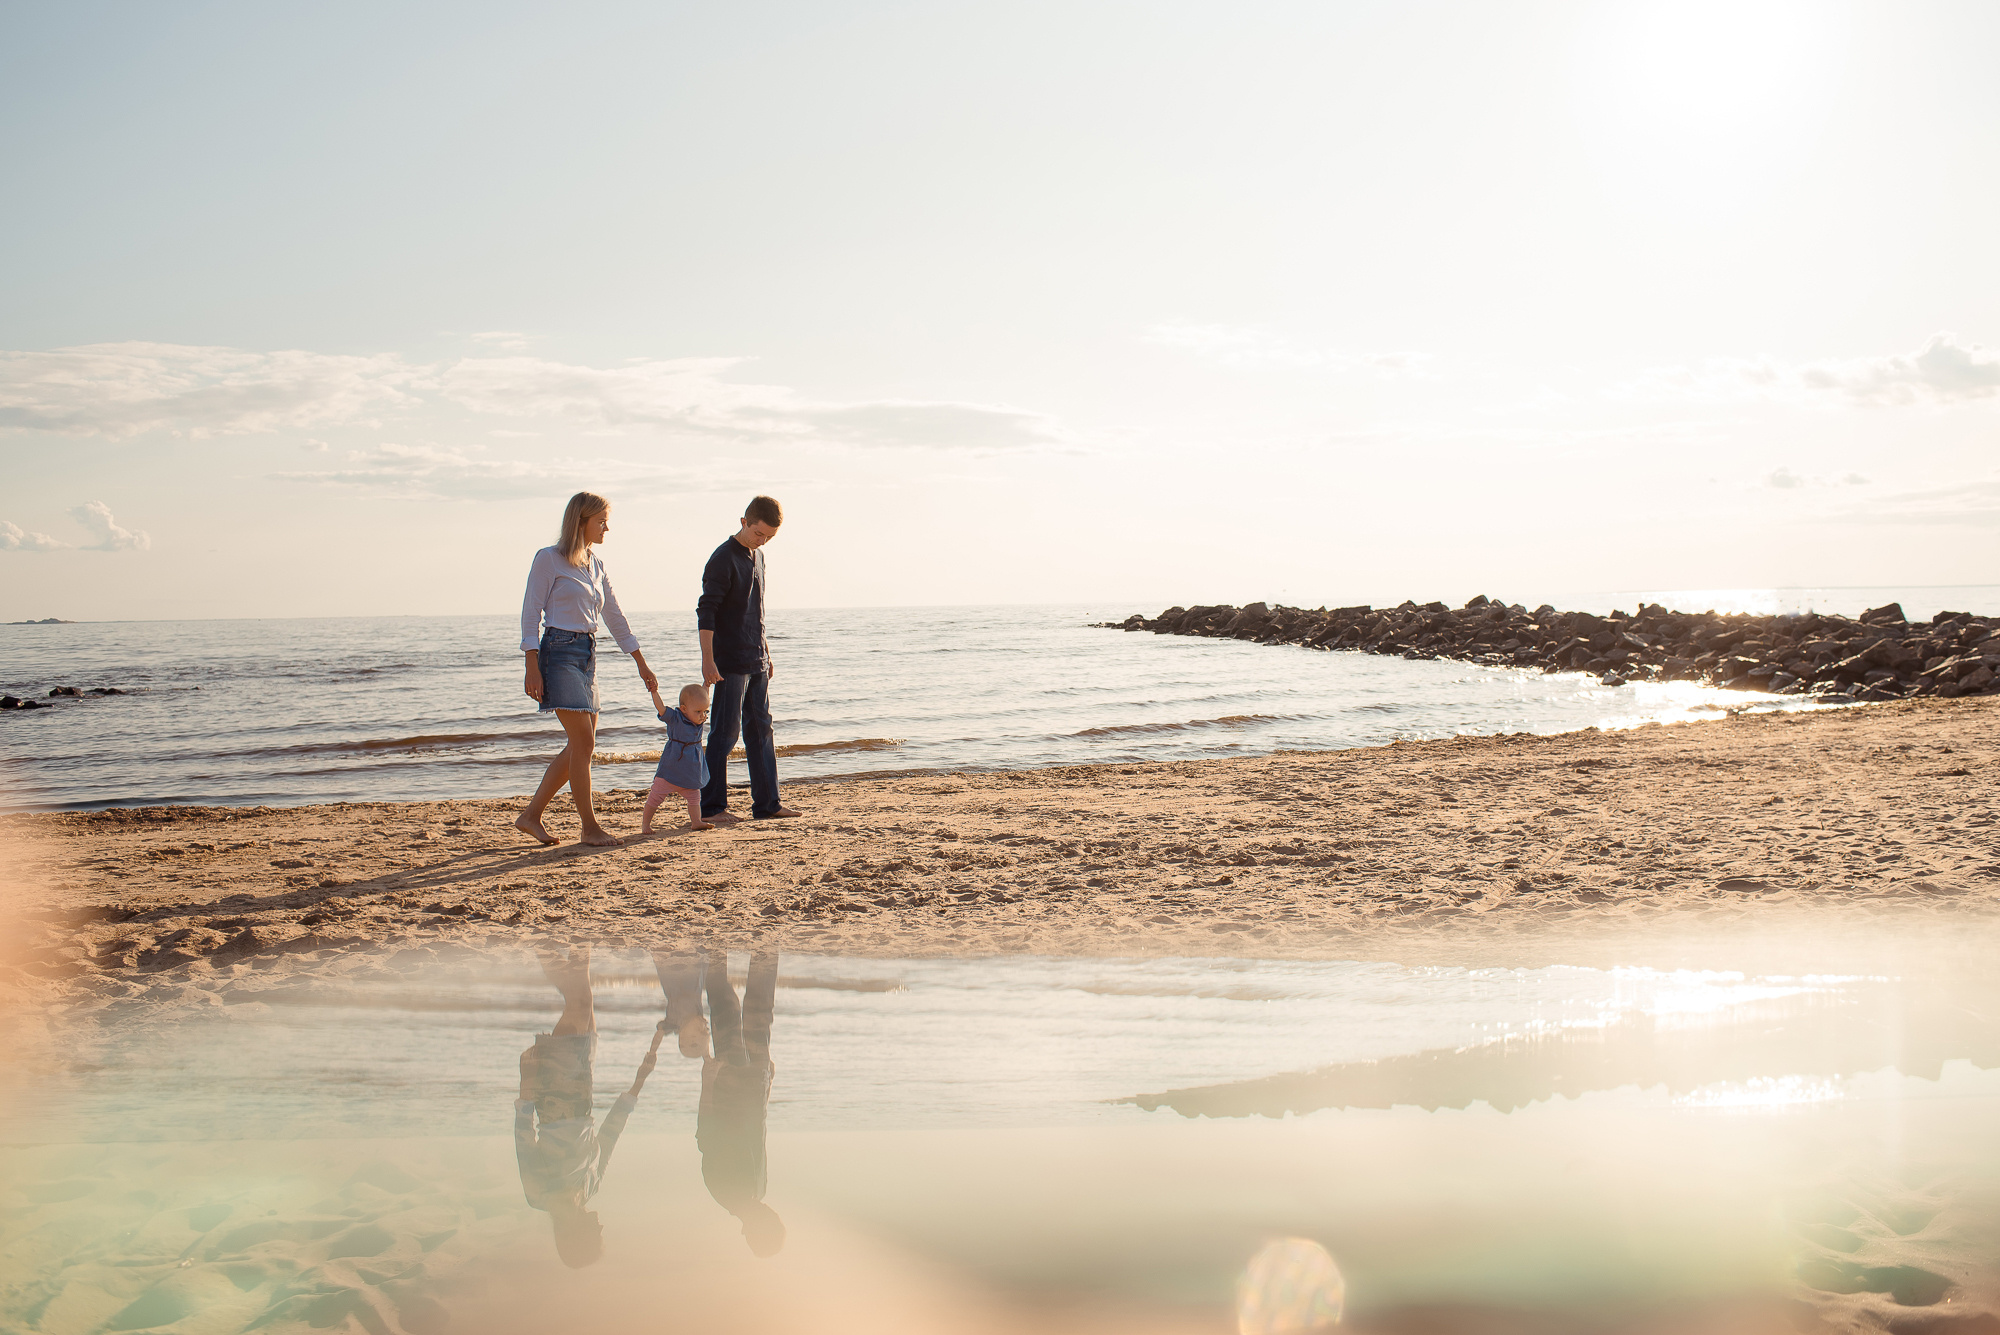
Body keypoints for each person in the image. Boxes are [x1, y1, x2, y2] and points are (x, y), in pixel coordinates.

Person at [516, 491, 658, 846]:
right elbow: (531, 612)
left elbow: (614, 615)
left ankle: (531, 816)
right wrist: (531, 663)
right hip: (558, 652)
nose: (607, 527)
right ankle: (589, 828)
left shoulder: (596, 564)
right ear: (581, 521)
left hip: (587, 654)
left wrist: (639, 660)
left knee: (582, 746)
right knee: (583, 741)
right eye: (601, 521)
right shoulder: (549, 559)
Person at [514, 944, 664, 1268]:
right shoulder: (590, 1188)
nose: (601, 1226)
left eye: (597, 1234)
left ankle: (564, 934)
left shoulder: (538, 1196)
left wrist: (525, 1082)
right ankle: (563, 935)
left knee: (578, 1001)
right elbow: (610, 1135)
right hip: (583, 1090)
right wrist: (640, 1079)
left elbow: (523, 1139)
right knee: (583, 1001)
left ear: (575, 1234)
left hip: (552, 1091)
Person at [697, 496, 799, 824]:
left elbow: (756, 610)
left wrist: (765, 650)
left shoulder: (759, 556)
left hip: (756, 658)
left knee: (761, 731)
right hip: (729, 661)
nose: (762, 540)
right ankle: (711, 808)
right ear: (744, 521)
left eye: (768, 537)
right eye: (758, 533)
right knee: (724, 734)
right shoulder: (722, 559)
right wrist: (707, 660)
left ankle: (767, 805)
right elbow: (706, 611)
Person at [642, 683, 713, 835]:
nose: (703, 715)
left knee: (694, 796)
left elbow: (702, 698)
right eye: (699, 711)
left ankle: (696, 822)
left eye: (706, 711)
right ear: (684, 709)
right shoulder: (676, 719)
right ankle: (645, 825)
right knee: (655, 797)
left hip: (691, 770)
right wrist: (654, 692)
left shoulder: (697, 720)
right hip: (672, 768)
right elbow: (661, 708)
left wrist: (706, 685)